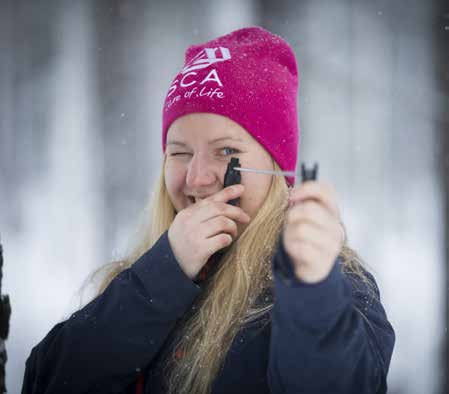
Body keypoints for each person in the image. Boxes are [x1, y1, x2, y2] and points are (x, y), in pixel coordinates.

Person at [22, 26, 395, 394]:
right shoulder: (135, 277)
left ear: (276, 168)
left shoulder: (340, 284)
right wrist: (164, 273)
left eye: (227, 152)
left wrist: (313, 293)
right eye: (180, 152)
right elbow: (47, 381)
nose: (198, 178)